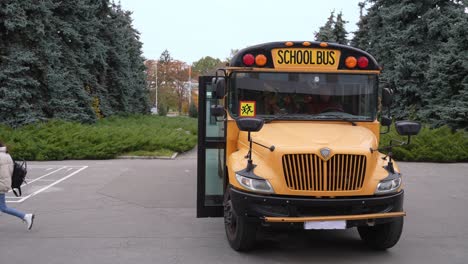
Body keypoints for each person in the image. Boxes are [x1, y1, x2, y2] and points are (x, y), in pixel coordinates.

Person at [0, 142, 35, 230]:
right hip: (5, 182)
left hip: (1, 184)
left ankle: (26, 216)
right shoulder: (6, 155)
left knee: (3, 208)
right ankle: (26, 216)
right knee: (2, 207)